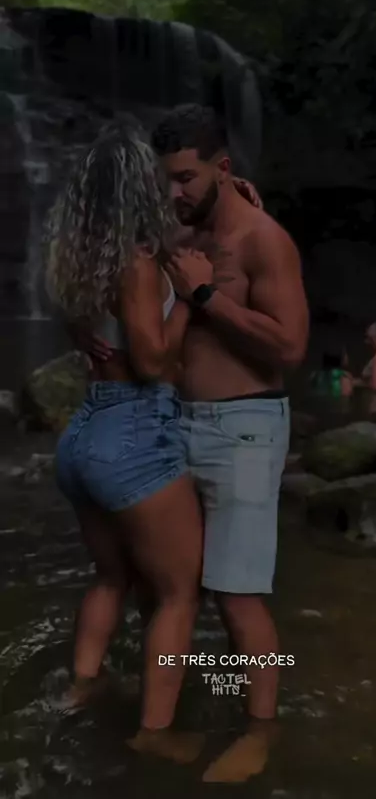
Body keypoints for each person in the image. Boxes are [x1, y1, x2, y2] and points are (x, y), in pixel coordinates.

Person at [80, 104, 310, 783]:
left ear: (223, 168)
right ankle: (173, 712)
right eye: (165, 181)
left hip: (245, 427)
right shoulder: (179, 229)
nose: (173, 194)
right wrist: (82, 327)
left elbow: (291, 348)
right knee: (168, 586)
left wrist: (208, 297)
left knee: (238, 595)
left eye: (185, 178)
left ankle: (261, 730)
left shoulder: (264, 241)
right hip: (173, 424)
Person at [45, 121, 206, 764]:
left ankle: (79, 690)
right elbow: (152, 362)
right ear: (142, 188)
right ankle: (154, 733)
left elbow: (96, 338)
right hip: (136, 432)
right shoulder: (137, 266)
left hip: (84, 432)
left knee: (110, 577)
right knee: (178, 593)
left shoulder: (77, 263)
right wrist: (189, 300)